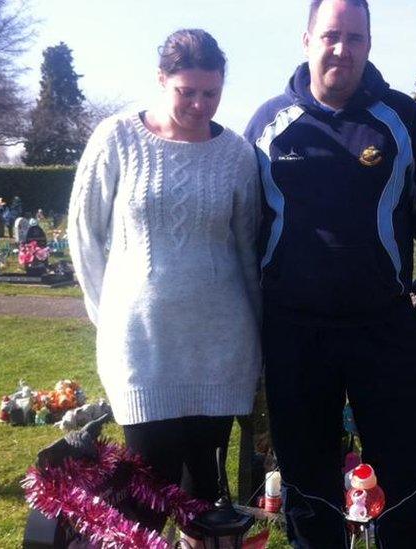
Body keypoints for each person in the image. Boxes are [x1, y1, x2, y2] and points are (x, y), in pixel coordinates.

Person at [244, 1, 416, 547]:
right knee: (307, 479)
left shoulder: (402, 119)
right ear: (307, 39)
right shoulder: (269, 124)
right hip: (295, 333)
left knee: (405, 476)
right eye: (331, 35)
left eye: (354, 38)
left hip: (387, 330)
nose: (342, 49)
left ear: (368, 43)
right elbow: (244, 227)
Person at [68, 29, 262, 542]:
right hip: (143, 350)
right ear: (161, 80)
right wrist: (107, 314)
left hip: (220, 351)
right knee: (143, 499)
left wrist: (261, 336)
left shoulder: (237, 155)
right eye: (186, 91)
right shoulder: (116, 138)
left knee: (205, 501)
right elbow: (84, 234)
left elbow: (249, 251)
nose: (199, 104)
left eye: (211, 93)